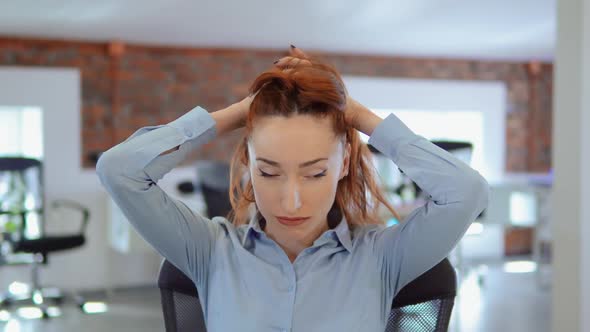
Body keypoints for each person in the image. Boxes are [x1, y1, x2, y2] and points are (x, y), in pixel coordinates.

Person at [96, 45, 489, 331]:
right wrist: (237, 113)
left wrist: (356, 115)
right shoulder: (210, 250)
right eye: (269, 172)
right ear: (249, 164)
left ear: (344, 164)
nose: (291, 200)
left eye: (315, 173)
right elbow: (119, 169)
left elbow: (466, 192)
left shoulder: (383, 257)